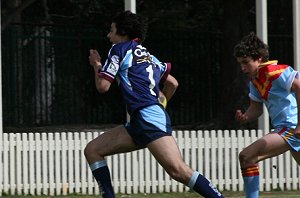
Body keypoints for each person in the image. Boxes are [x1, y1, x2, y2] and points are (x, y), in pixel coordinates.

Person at [84, 10, 223, 198]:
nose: (109, 36)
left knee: (178, 170)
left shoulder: (119, 49)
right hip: (141, 120)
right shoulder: (149, 56)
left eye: (112, 31)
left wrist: (96, 65)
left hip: (147, 117)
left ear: (123, 33)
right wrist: (161, 103)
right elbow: (173, 83)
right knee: (92, 150)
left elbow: (102, 86)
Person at [234, 32, 300, 198]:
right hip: (286, 128)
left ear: (260, 59)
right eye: (240, 64)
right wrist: (246, 117)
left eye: (245, 63)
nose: (242, 68)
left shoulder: (274, 71)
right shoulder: (255, 81)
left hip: (291, 128)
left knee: (247, 156)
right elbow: (255, 109)